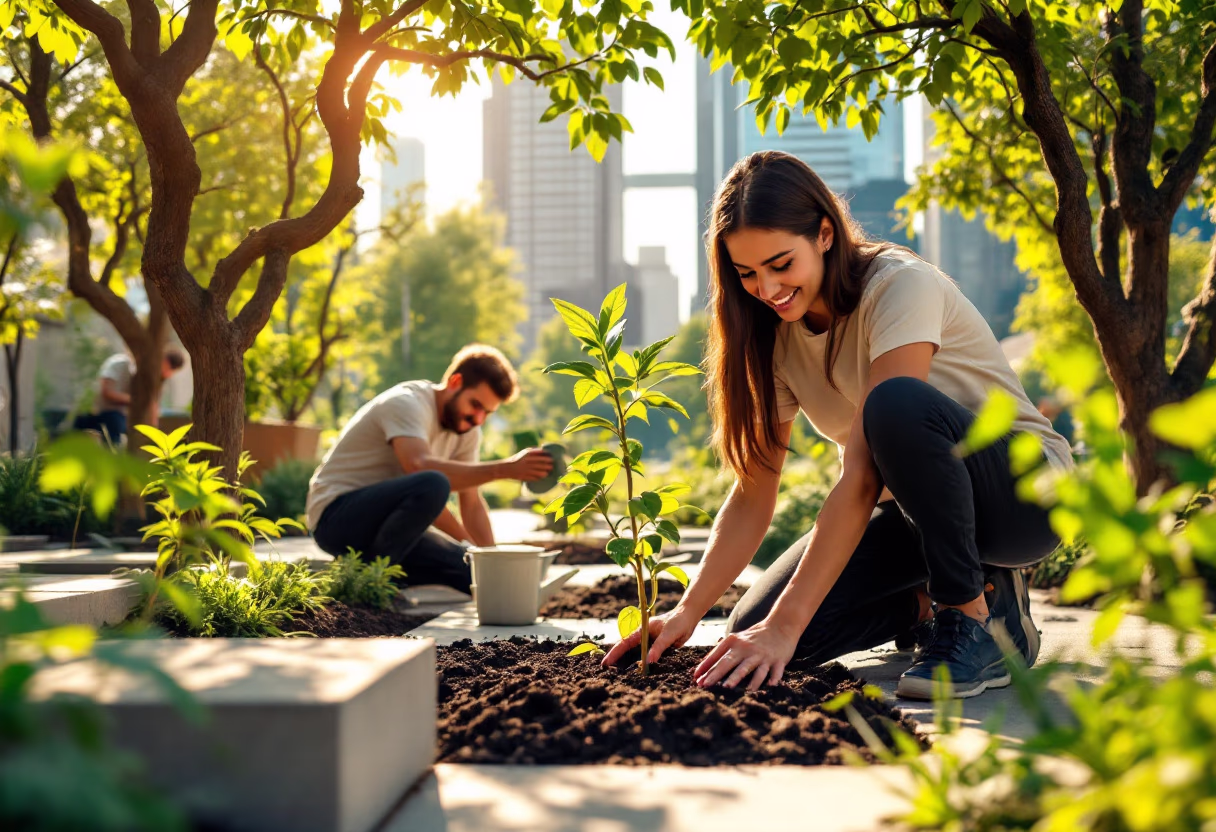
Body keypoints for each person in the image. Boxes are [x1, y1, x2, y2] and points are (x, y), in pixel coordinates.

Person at [604, 152, 1073, 700]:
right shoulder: (773, 337)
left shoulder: (899, 286)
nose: (768, 288)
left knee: (893, 405)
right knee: (754, 636)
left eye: (781, 264)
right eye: (748, 273)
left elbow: (864, 473)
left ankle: (967, 617)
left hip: (1022, 495)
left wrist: (784, 624)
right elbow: (755, 490)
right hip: (921, 516)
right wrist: (687, 614)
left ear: (825, 234)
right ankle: (968, 603)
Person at [306, 344, 554, 593]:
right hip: (336, 517)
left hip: (389, 530)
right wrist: (504, 470)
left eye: (487, 413)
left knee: (473, 573)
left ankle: (373, 572)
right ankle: (373, 585)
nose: (478, 419)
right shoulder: (407, 403)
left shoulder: (467, 430)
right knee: (433, 483)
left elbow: (471, 502)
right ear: (455, 382)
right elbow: (419, 469)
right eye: (475, 405)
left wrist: (490, 559)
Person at [73, 346, 186, 443]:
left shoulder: (154, 382)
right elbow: (107, 392)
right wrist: (137, 401)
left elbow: (153, 410)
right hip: (96, 415)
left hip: (121, 419)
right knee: (115, 421)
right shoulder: (120, 364)